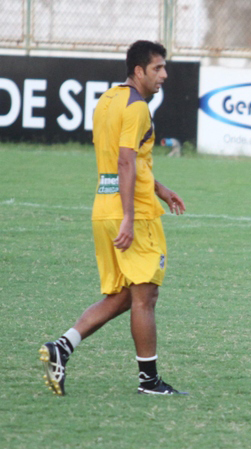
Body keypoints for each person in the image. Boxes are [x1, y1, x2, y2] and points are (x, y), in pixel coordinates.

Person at [39, 40, 187, 396]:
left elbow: (126, 162)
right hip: (129, 215)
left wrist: (159, 188)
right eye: (157, 68)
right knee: (146, 296)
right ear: (139, 71)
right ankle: (149, 382)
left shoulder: (108, 100)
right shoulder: (137, 108)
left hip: (103, 207)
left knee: (124, 295)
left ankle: (63, 347)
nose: (164, 75)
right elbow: (125, 161)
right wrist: (129, 217)